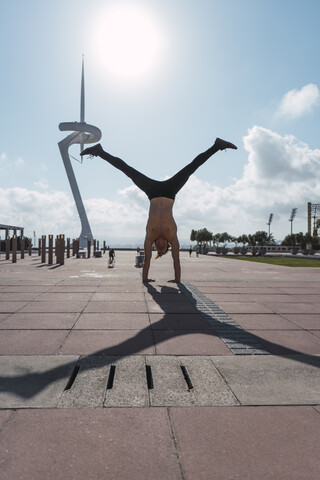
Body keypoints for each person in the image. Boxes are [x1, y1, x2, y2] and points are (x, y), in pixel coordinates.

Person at [81, 137, 237, 282]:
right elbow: (176, 260)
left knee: (128, 171)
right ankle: (218, 145)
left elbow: (147, 260)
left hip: (152, 192)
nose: (160, 248)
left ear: (155, 246)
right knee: (191, 168)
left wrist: (145, 279)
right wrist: (177, 280)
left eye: (158, 250)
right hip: (170, 191)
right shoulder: (173, 237)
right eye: (163, 250)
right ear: (167, 246)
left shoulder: (150, 237)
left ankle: (99, 151)